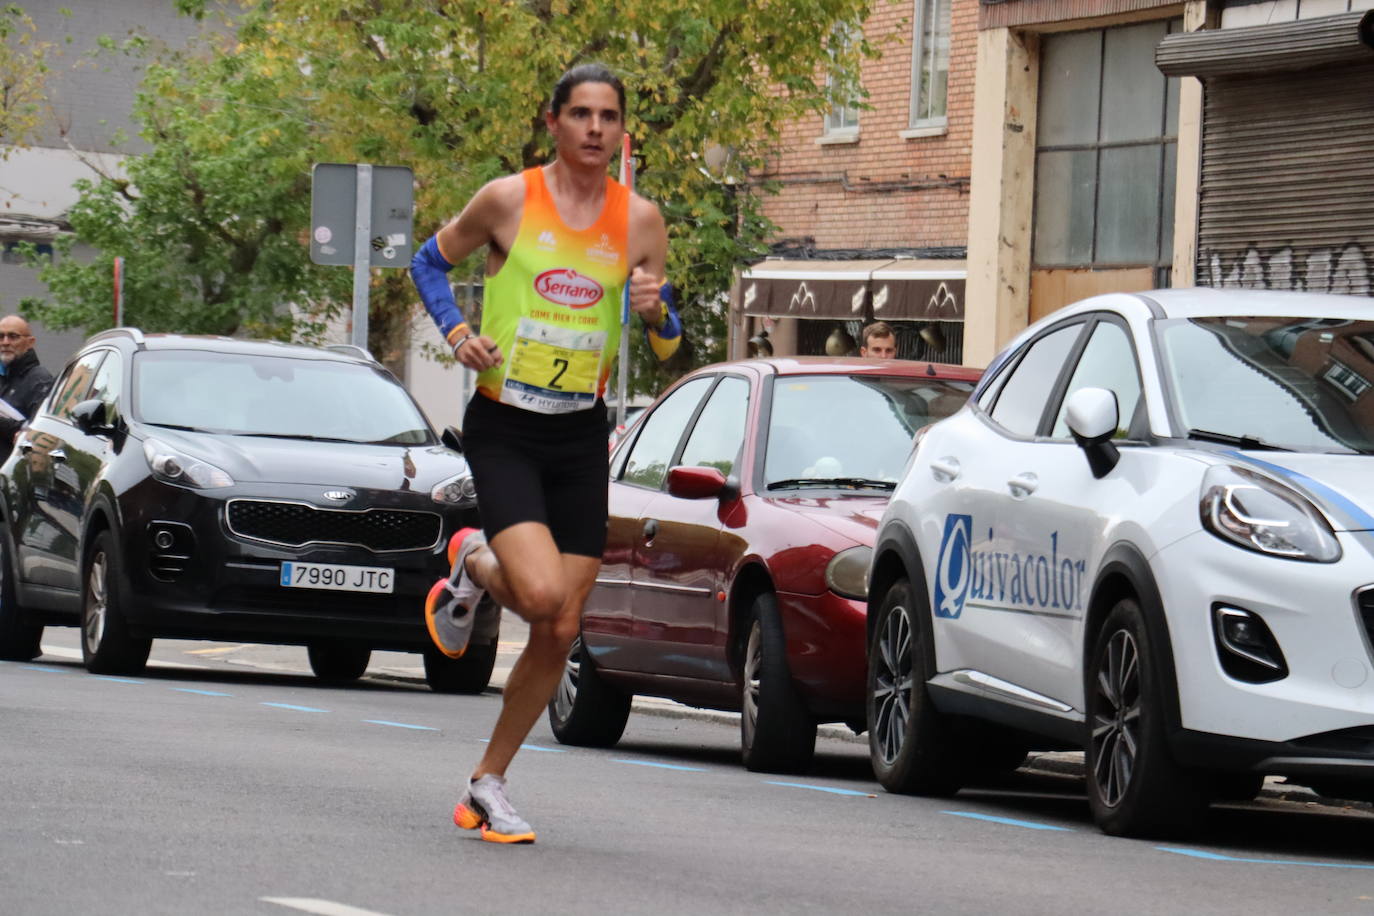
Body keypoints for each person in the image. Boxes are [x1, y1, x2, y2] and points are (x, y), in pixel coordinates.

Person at [409, 63, 682, 845]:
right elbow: (430, 262)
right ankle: (471, 564)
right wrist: (458, 332)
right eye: (582, 115)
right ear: (554, 123)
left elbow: (667, 345)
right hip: (506, 426)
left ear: (621, 130)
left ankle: (487, 784)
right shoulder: (506, 200)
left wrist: (659, 313)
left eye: (609, 117)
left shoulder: (641, 221)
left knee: (563, 627)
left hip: (579, 434)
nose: (596, 129)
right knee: (535, 596)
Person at [0, 315, 54, 460]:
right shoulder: (3, 377)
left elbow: (39, 433)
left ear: (30, 342)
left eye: (13, 337)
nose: (5, 342)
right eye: (1, 336)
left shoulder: (40, 380)